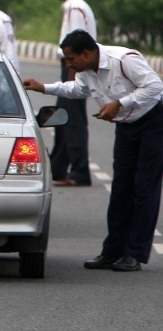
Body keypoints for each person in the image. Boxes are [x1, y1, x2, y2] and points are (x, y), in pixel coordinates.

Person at [24, 29, 163, 272]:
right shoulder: (86, 71)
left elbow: (154, 86)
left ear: (86, 53)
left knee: (144, 187)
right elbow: (77, 90)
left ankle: (135, 253)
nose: (69, 64)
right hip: (126, 125)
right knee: (121, 187)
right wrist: (43, 87)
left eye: (71, 59)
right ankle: (112, 251)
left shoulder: (124, 60)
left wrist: (118, 104)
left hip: (153, 121)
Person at [50, 0, 98, 186]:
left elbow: (77, 46)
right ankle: (57, 169)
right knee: (62, 117)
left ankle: (80, 172)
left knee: (73, 120)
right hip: (72, 66)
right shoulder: (74, 7)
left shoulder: (76, 8)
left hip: (74, 67)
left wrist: (72, 74)